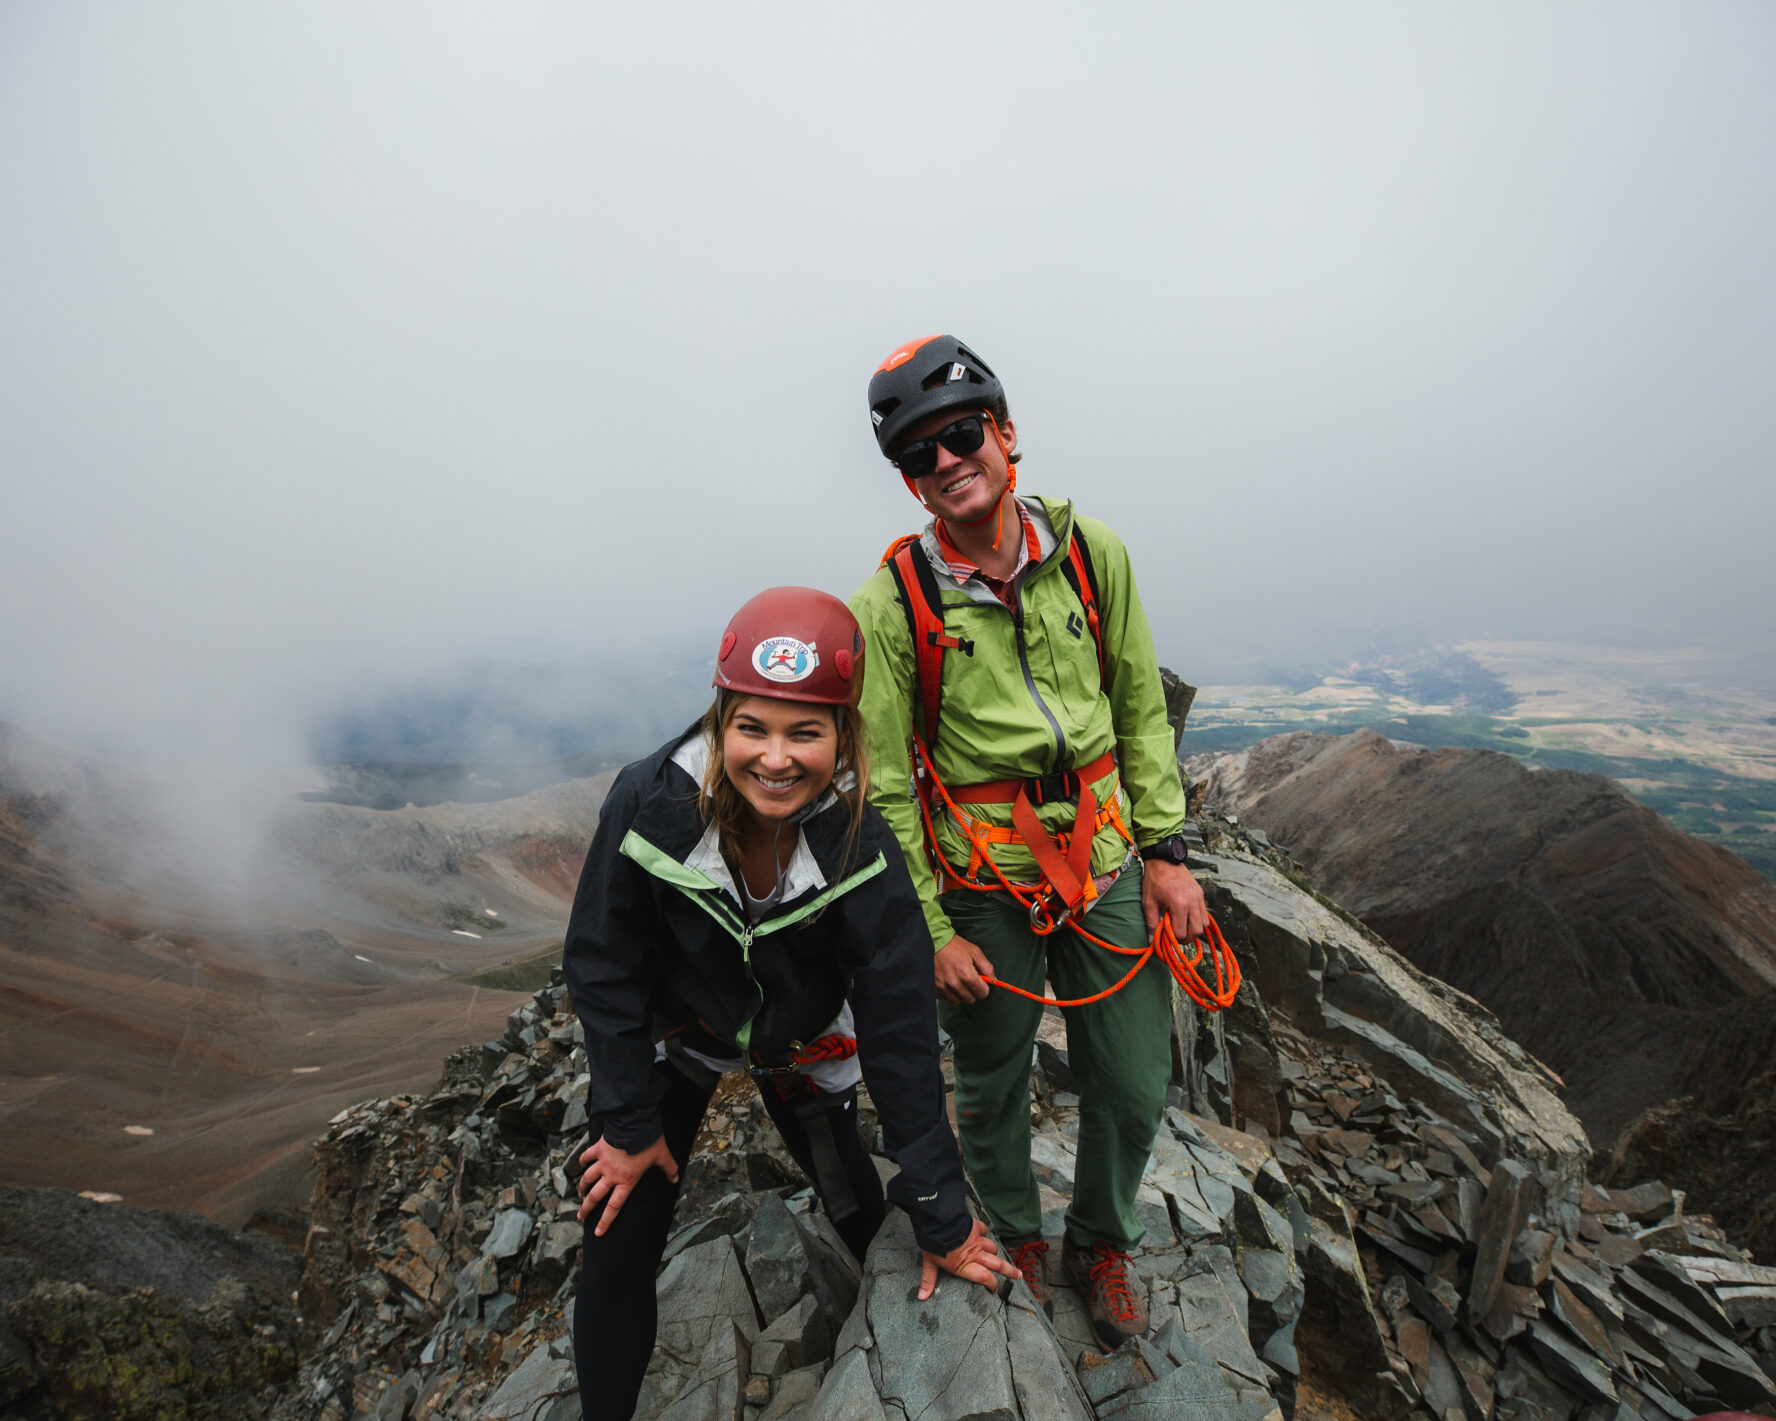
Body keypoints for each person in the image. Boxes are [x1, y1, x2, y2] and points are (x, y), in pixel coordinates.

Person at [563, 586, 1018, 1421]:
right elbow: (604, 962)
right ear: (720, 721)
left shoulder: (859, 843)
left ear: (843, 734)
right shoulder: (650, 803)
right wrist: (627, 1125)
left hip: (802, 1043)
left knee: (854, 1202)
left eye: (805, 732)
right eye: (753, 728)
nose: (776, 758)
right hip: (681, 1037)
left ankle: (893, 1321)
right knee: (616, 1233)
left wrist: (942, 1213)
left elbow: (901, 1029)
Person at [850, 334, 1223, 1352]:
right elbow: (885, 782)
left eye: (962, 433)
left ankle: (1102, 1238)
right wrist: (929, 928)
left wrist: (1167, 854)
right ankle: (1013, 1233)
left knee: (1136, 1079)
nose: (947, 460)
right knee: (990, 1075)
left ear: (1007, 433)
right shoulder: (894, 604)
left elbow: (1140, 710)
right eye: (920, 453)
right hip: (985, 880)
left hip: (1105, 859)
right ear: (908, 481)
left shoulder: (1093, 554)